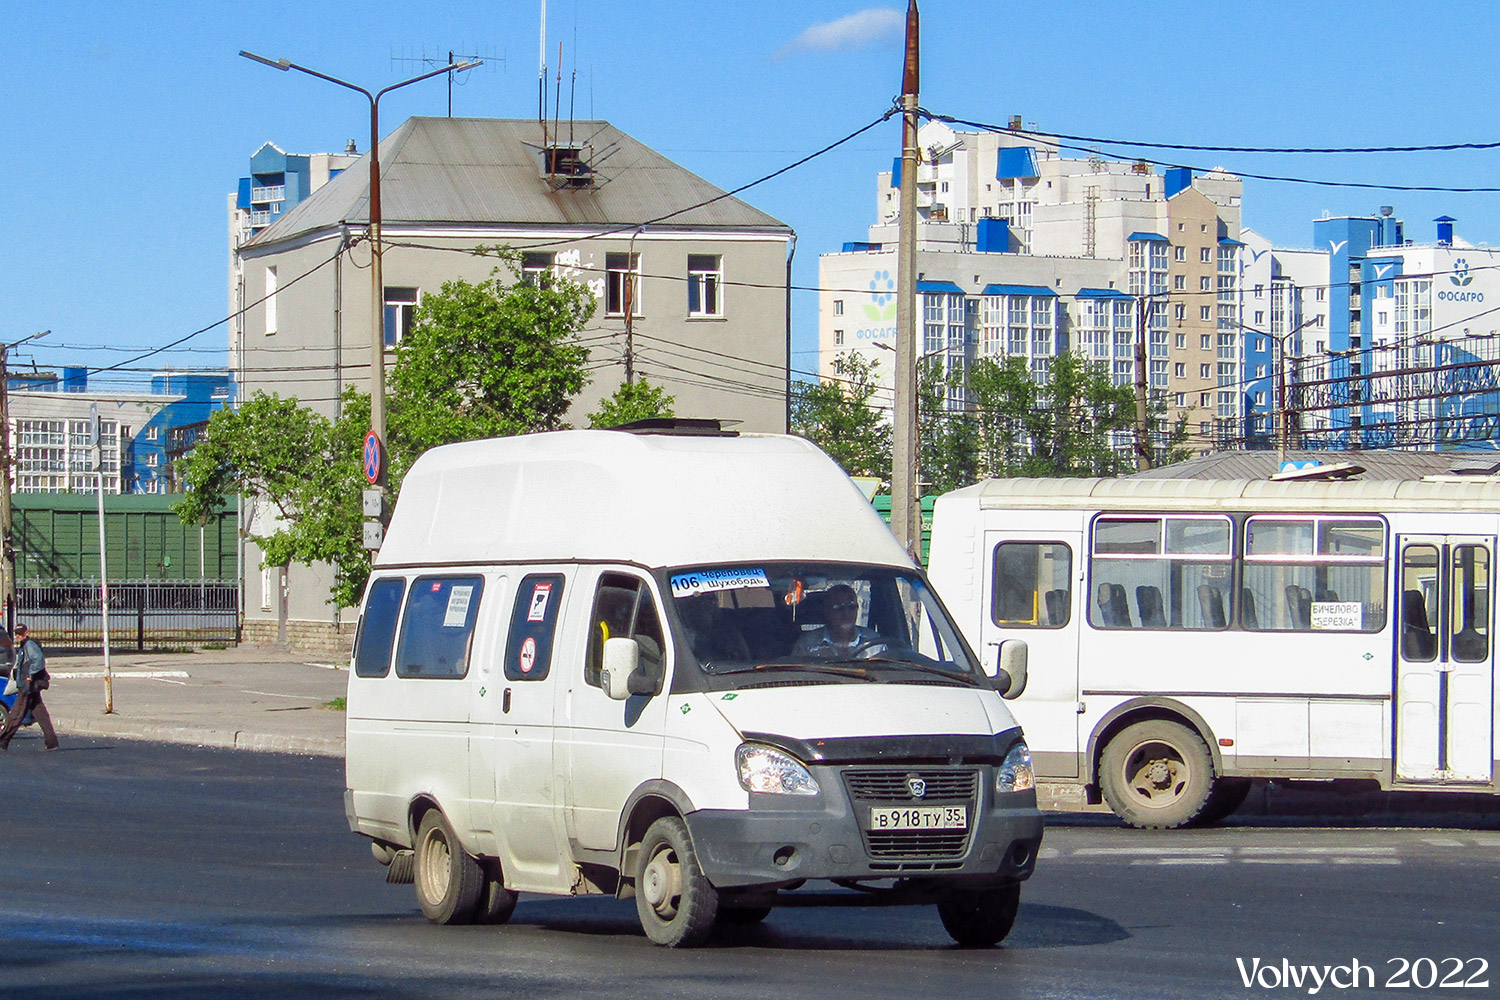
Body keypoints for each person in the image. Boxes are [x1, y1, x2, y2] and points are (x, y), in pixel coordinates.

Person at [0, 624, 59, 751]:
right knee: (41, 714)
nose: (18, 636)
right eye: (16, 634)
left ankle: (3, 741)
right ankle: (52, 742)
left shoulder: (29, 645)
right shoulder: (24, 646)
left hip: (28, 686)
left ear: (27, 632)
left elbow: (39, 660)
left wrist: (30, 675)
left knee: (16, 714)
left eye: (20, 634)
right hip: (29, 686)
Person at [793, 584, 881, 659]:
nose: (846, 613)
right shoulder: (808, 644)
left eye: (851, 607)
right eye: (839, 608)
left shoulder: (874, 641)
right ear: (826, 611)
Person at [677, 592, 750, 664]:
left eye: (712, 607)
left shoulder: (728, 633)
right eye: (702, 606)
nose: (710, 610)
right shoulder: (680, 633)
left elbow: (745, 660)